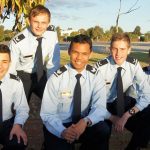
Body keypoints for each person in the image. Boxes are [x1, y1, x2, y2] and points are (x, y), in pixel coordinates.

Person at [40, 34, 110, 150]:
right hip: (60, 124)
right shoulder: (56, 78)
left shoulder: (96, 76)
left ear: (90, 54)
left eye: (84, 54)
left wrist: (85, 121)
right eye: (75, 52)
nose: (79, 58)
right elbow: (48, 114)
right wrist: (63, 131)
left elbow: (100, 107)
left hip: (84, 123)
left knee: (103, 130)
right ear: (68, 51)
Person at [94, 33, 150, 150]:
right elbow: (92, 101)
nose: (118, 54)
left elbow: (146, 94)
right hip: (101, 104)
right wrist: (112, 118)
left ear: (129, 50)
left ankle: (133, 147)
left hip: (120, 101)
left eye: (122, 49)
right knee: (102, 132)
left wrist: (127, 115)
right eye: (115, 49)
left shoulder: (133, 65)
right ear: (110, 49)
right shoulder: (100, 68)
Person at [9, 5, 60, 102]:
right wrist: (14, 88)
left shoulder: (52, 34)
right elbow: (11, 70)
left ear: (48, 23)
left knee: (52, 102)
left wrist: (52, 84)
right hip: (23, 76)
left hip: (42, 75)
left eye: (43, 22)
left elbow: (53, 62)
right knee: (20, 108)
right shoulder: (17, 42)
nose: (39, 26)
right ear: (29, 21)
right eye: (36, 21)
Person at [0, 44, 29, 149]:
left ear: (10, 63)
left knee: (19, 142)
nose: (0, 66)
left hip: (7, 124)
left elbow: (22, 107)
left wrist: (17, 125)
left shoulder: (15, 81)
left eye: (4, 62)